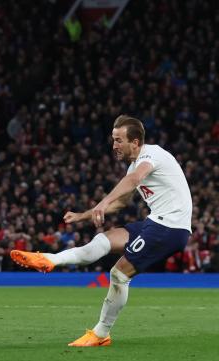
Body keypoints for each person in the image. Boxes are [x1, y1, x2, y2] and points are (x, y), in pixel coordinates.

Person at [10, 115, 192, 347]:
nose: (114, 145)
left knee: (119, 274)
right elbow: (122, 202)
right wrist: (83, 215)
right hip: (156, 222)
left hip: (170, 227)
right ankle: (48, 259)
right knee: (102, 241)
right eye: (113, 140)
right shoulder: (135, 164)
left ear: (135, 142)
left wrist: (103, 203)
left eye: (119, 140)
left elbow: (135, 180)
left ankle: (101, 333)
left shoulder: (150, 156)